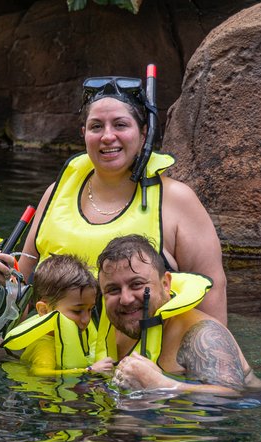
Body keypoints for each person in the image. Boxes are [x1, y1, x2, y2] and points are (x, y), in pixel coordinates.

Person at [18, 74, 228, 324]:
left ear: (144, 132)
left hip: (143, 358)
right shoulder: (56, 193)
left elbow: (212, 291)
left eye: (120, 125)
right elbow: (22, 281)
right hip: (54, 357)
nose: (107, 136)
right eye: (96, 126)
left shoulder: (176, 200)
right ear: (84, 133)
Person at [97, 234, 261, 395]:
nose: (125, 299)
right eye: (113, 290)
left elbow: (233, 395)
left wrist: (160, 384)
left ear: (166, 284)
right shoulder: (116, 326)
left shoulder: (204, 334)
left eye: (136, 284)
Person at [2, 254, 115, 376]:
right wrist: (89, 370)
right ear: (44, 311)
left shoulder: (80, 328)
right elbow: (41, 373)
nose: (86, 319)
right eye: (77, 311)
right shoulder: (44, 347)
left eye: (90, 310)